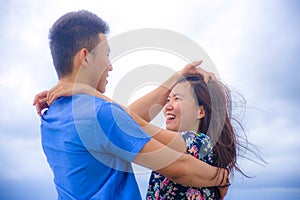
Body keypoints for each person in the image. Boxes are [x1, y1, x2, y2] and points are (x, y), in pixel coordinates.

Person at [33, 10, 229, 200]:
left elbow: (124, 120)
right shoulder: (101, 114)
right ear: (85, 57)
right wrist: (223, 178)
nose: (110, 65)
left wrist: (177, 77)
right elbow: (177, 167)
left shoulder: (50, 116)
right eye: (106, 55)